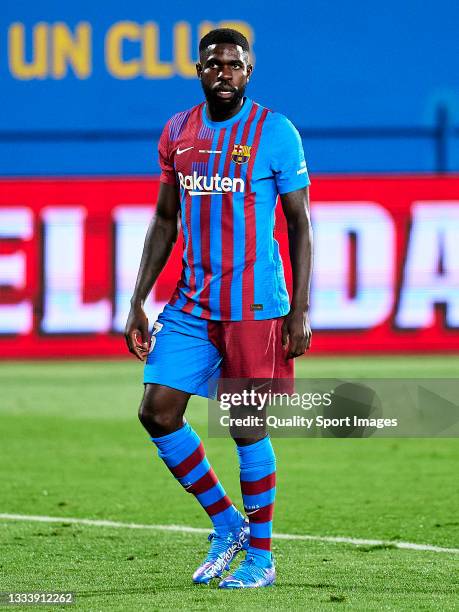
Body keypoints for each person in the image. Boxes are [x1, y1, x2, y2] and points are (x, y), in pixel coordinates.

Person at [125, 27, 313, 589]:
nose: (223, 73)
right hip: (192, 301)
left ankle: (262, 556)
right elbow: (164, 219)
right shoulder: (177, 131)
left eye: (234, 65)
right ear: (199, 69)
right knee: (157, 411)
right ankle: (226, 522)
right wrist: (137, 298)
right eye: (213, 64)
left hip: (254, 305)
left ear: (249, 71)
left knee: (245, 426)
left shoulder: (275, 132)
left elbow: (300, 223)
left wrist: (299, 310)